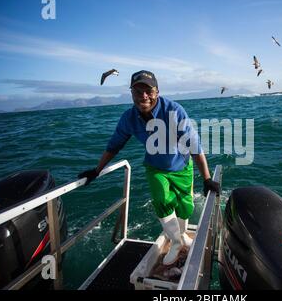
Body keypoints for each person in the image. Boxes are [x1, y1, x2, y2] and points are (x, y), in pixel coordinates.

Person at [78, 70, 220, 265]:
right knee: (162, 199)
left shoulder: (174, 111)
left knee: (186, 206)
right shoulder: (129, 118)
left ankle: (183, 236)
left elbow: (194, 146)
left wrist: (206, 178)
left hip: (182, 165)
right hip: (156, 168)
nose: (143, 96)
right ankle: (177, 242)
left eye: (148, 91)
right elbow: (114, 146)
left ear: (157, 92)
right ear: (131, 94)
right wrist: (97, 170)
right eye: (138, 91)